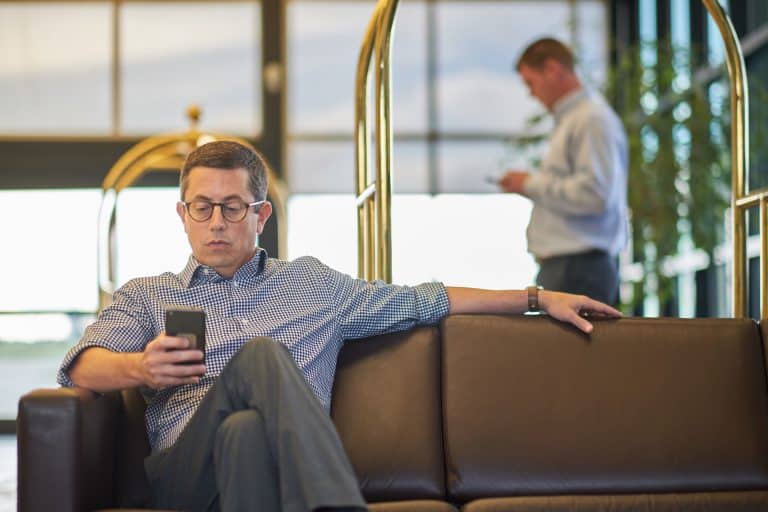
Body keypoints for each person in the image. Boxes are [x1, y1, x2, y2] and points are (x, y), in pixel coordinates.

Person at [57, 140, 620, 512]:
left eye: (233, 207)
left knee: (245, 433)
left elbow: (426, 300)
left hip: (271, 481)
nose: (217, 223)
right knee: (261, 357)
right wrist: (139, 366)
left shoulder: (315, 287)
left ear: (261, 215)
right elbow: (82, 365)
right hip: (185, 482)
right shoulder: (149, 294)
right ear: (182, 215)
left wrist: (535, 295)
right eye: (201, 207)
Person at [498, 37, 628, 305]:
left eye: (530, 83)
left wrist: (531, 184)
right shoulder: (577, 119)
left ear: (552, 70)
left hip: (578, 271)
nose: (530, 94)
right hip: (572, 269)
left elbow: (595, 195)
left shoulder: (590, 119)